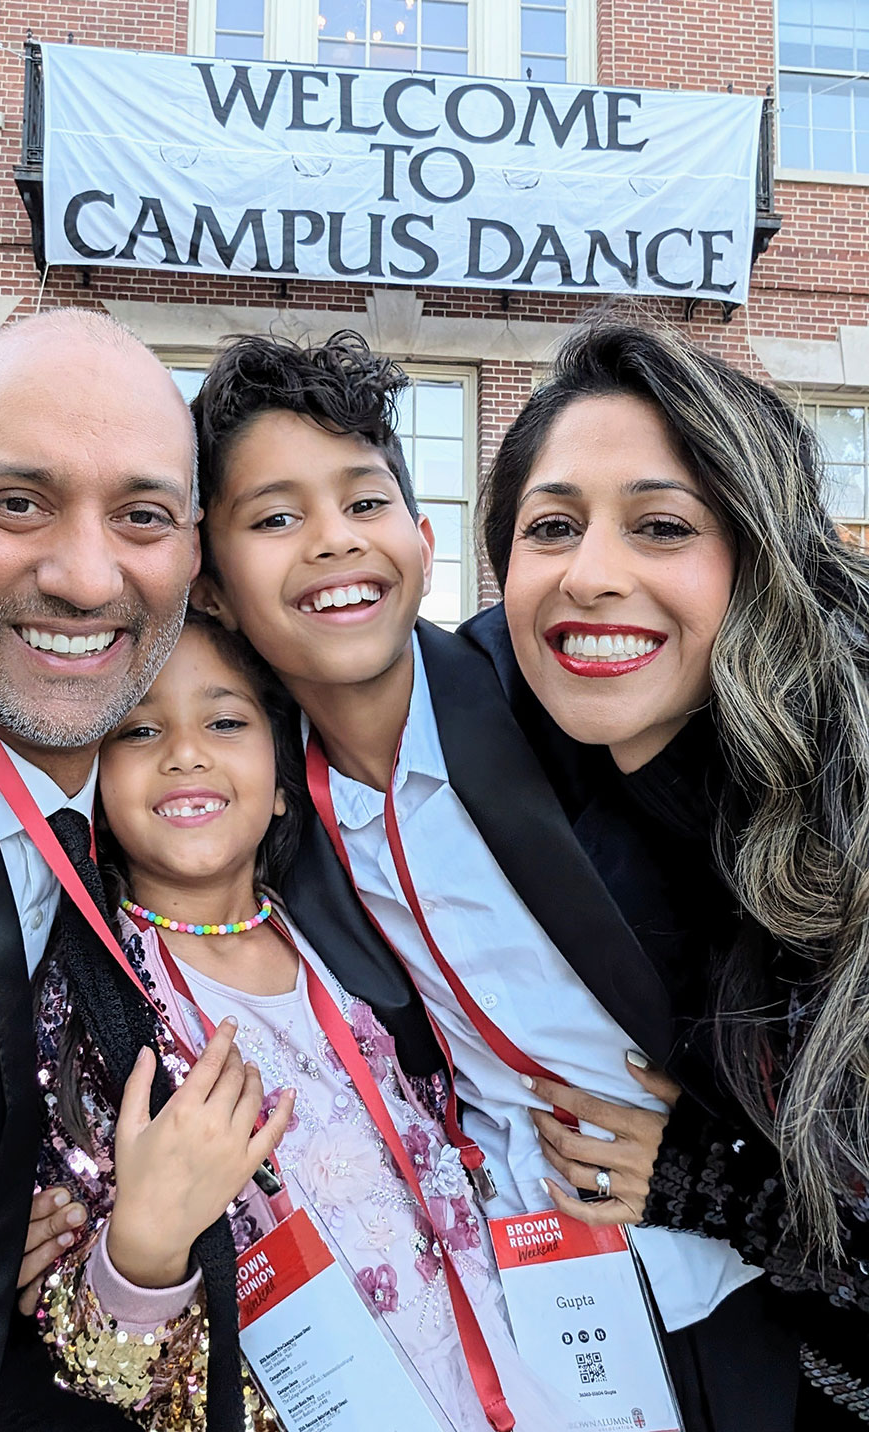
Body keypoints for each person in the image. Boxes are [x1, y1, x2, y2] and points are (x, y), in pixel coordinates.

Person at [190, 331, 799, 1432]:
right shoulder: (266, 808)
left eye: (365, 503)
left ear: (423, 540)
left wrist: (713, 1156)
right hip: (511, 1292)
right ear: (217, 588)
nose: (333, 542)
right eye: (275, 518)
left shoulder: (573, 700)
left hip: (719, 1266)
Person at [466, 316, 869, 1425]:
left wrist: (711, 1182)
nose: (591, 575)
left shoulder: (847, 800)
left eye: (659, 526)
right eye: (551, 527)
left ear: (755, 557)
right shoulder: (495, 740)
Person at [32, 610, 559, 1432]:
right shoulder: (92, 1008)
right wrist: (143, 1242)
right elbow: (101, 1370)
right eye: (138, 731)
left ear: (283, 779)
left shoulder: (348, 942)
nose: (186, 752)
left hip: (496, 1383)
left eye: (225, 720)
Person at [0, 309, 201, 1431]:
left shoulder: (186, 821)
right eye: (19, 503)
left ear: (194, 555)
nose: (83, 574)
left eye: (143, 516)